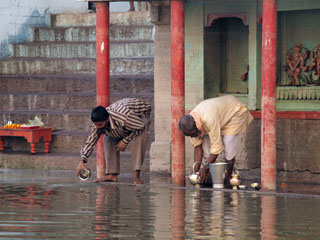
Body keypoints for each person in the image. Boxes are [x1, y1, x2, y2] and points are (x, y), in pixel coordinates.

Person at [178, 95, 253, 185]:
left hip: (235, 112)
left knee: (228, 142)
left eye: (193, 134)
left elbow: (216, 148)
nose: (192, 136)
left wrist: (205, 167)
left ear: (195, 126)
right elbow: (197, 146)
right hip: (219, 116)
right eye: (190, 135)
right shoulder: (191, 126)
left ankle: (228, 177)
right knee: (206, 146)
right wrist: (196, 170)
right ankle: (209, 175)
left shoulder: (208, 119)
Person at [76, 98, 151, 184]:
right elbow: (90, 141)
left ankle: (136, 176)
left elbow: (140, 126)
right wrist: (82, 161)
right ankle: (112, 175)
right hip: (124, 124)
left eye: (100, 124)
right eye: (96, 125)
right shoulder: (97, 124)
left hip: (140, 116)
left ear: (107, 119)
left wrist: (125, 141)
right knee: (108, 138)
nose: (97, 127)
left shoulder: (123, 116)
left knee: (140, 137)